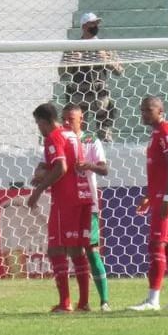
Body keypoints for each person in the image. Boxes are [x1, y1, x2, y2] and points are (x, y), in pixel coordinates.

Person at [27, 103, 94, 313]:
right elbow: (67, 163)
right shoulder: (72, 135)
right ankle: (83, 303)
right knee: (76, 249)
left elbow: (61, 167)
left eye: (38, 123)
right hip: (83, 195)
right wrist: (44, 172)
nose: (38, 128)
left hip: (66, 199)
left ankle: (65, 303)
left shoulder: (53, 137)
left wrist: (38, 190)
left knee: (56, 249)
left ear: (44, 121)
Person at [129, 96, 168, 311]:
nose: (144, 113)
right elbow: (161, 171)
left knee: (157, 245)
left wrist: (166, 198)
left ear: (160, 110)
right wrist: (150, 196)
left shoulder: (166, 131)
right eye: (142, 110)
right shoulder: (156, 133)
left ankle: (153, 300)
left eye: (148, 110)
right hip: (161, 196)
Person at [64, 104, 111, 311]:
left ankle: (104, 301)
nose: (66, 122)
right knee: (73, 251)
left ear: (80, 119)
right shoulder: (60, 141)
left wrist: (88, 165)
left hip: (88, 203)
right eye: (64, 118)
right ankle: (82, 302)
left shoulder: (91, 140)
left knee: (91, 250)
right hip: (68, 205)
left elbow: (104, 169)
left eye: (70, 119)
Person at [58, 12, 123, 142]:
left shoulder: (104, 46)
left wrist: (106, 60)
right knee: (79, 133)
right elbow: (62, 73)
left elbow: (120, 70)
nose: (95, 26)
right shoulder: (73, 47)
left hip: (100, 96)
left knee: (105, 134)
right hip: (79, 95)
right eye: (92, 23)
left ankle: (104, 157)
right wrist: (71, 62)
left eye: (96, 23)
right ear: (84, 26)